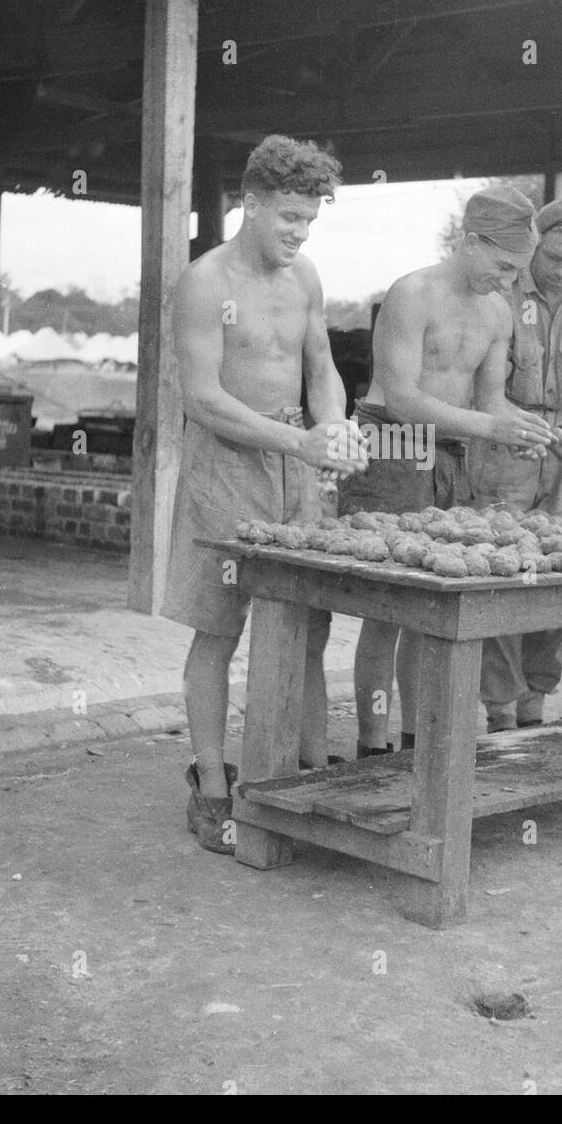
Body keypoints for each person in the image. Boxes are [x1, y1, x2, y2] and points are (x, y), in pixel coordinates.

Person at [163, 135, 368, 854]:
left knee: (307, 624)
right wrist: (297, 443)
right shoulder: (203, 282)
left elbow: (321, 367)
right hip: (227, 463)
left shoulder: (304, 276)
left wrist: (334, 426)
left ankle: (307, 776)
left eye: (308, 220)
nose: (298, 233)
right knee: (219, 629)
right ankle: (212, 788)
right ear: (247, 203)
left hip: (297, 464)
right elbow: (202, 398)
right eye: (286, 217)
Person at [341, 185, 555, 755]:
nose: (508, 281)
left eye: (518, 271)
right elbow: (404, 398)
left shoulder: (497, 311)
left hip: (451, 454)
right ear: (470, 242)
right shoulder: (412, 294)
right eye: (503, 266)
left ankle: (414, 745)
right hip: (391, 444)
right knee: (384, 609)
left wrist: (526, 428)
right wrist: (491, 428)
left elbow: (491, 403)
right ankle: (371, 746)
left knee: (429, 610)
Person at [466, 195, 562, 730]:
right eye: (552, 257)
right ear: (536, 243)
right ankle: (500, 712)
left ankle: (535, 706)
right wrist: (533, 430)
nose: (561, 271)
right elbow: (483, 392)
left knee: (556, 579)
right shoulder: (502, 292)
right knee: (504, 575)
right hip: (508, 443)